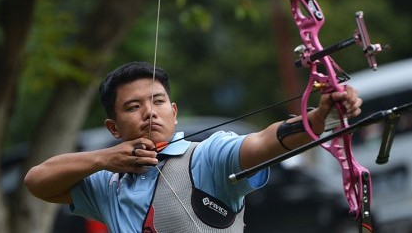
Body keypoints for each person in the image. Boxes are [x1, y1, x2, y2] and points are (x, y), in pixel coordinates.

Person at [24, 61, 362, 232]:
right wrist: (104, 159)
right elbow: (37, 180)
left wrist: (319, 119)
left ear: (174, 112)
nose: (149, 112)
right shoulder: (108, 182)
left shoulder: (207, 157)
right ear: (113, 128)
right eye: (133, 107)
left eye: (158, 101)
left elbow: (263, 141)